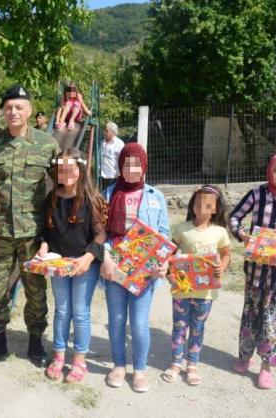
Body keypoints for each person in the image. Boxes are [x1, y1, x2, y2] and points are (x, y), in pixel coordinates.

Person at [0, 84, 60, 367]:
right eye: (8, 108)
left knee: (36, 291)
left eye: (19, 107)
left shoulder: (47, 144)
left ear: (29, 111)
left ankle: (36, 342)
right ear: (2, 112)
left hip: (33, 234)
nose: (13, 112)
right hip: (0, 232)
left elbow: (64, 184)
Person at [100, 143, 170, 393]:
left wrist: (163, 262)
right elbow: (100, 231)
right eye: (126, 164)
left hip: (144, 270)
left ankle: (139, 369)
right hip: (115, 266)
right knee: (117, 320)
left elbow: (163, 233)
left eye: (136, 164)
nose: (131, 169)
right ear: (120, 166)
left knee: (139, 323)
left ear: (144, 166)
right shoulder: (108, 194)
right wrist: (106, 257)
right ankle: (119, 365)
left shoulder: (155, 196)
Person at [37, 148, 107, 383]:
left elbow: (100, 235)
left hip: (84, 266)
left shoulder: (91, 198)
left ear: (80, 170)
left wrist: (87, 258)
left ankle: (79, 360)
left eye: (70, 168)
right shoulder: (52, 197)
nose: (65, 172)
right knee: (62, 310)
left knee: (80, 312)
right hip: (59, 265)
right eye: (61, 168)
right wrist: (44, 246)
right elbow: (46, 231)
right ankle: (59, 355)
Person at [229, 152, 276, 390]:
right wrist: (243, 235)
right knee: (251, 316)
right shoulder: (257, 194)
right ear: (270, 170)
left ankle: (266, 367)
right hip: (256, 273)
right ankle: (245, 356)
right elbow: (234, 217)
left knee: (275, 323)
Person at [162, 185, 231, 386]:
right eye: (198, 203)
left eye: (207, 204)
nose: (201, 207)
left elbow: (226, 255)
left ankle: (192, 364)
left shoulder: (220, 232)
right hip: (182, 291)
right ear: (192, 205)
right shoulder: (182, 229)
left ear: (215, 209)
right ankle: (176, 362)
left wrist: (222, 267)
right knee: (179, 327)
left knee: (197, 328)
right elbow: (169, 254)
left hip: (206, 294)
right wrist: (169, 273)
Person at [100, 122, 125, 190]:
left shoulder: (120, 144)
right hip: (101, 176)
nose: (104, 132)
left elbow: (123, 161)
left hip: (113, 177)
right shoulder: (102, 142)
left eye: (106, 131)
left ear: (113, 132)